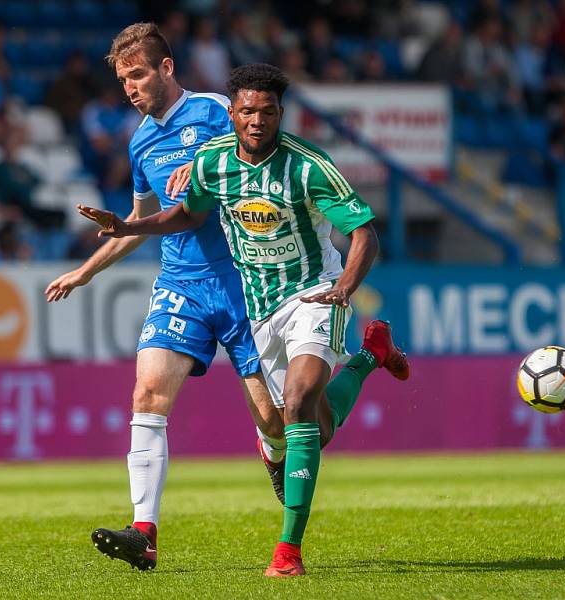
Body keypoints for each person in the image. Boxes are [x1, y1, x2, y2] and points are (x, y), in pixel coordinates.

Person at [78, 63, 410, 577]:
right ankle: (371, 356)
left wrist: (344, 287)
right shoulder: (213, 162)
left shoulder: (309, 166)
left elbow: (364, 232)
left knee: (298, 404)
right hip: (260, 307)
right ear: (233, 114)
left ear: (281, 114)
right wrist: (129, 224)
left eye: (269, 111)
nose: (257, 121)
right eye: (248, 111)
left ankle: (288, 551)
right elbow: (187, 214)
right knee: (310, 430)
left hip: (316, 294)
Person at [43, 23, 283, 572]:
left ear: (167, 68)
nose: (129, 87)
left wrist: (202, 170)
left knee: (273, 419)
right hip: (181, 283)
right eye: (123, 78)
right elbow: (135, 222)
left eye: (138, 74)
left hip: (245, 279)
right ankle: (144, 532)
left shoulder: (218, 112)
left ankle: (271, 448)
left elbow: (261, 164)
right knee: (148, 393)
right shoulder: (140, 142)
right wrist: (85, 271)